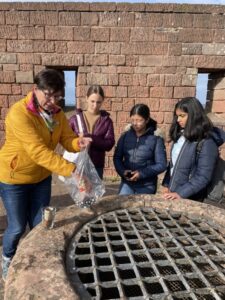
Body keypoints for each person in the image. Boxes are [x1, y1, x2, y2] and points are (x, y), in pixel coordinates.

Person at [0, 69, 92, 281]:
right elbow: (38, 152)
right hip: (15, 178)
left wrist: (78, 143)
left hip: (41, 179)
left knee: (41, 224)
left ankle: (36, 259)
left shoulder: (58, 114)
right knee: (16, 227)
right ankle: (7, 258)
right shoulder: (19, 113)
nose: (53, 100)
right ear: (36, 89)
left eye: (57, 96)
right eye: (48, 94)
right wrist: (72, 171)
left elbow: (66, 139)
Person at [162, 96, 224, 201]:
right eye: (177, 116)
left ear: (194, 115)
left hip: (192, 197)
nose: (178, 120)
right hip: (174, 193)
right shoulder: (180, 136)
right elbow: (173, 164)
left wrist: (181, 193)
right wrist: (167, 184)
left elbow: (203, 176)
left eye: (182, 116)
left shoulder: (207, 142)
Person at [113, 103, 167, 195]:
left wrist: (141, 174)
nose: (135, 123)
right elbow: (117, 157)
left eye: (139, 120)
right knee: (123, 206)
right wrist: (122, 171)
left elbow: (161, 165)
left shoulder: (156, 138)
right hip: (127, 183)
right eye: (133, 120)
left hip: (147, 185)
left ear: (147, 120)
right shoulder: (125, 136)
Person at [69, 85, 115, 179]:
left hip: (96, 165)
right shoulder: (75, 119)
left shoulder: (106, 121)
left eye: (98, 102)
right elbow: (66, 139)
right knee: (79, 193)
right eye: (92, 101)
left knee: (95, 193)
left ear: (103, 101)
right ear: (86, 98)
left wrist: (91, 138)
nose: (95, 105)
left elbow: (109, 144)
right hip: (77, 163)